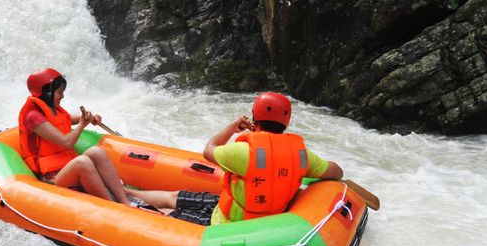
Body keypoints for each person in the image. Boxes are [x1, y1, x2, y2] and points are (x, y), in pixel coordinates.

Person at [127, 92, 344, 225]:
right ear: (285, 122)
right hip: (243, 213)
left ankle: (126, 203)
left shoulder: (243, 153)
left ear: (255, 117)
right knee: (176, 197)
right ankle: (129, 193)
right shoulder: (302, 156)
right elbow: (336, 171)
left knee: (170, 211)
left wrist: (232, 127)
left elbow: (209, 149)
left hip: (228, 224)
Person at [18, 67, 132, 206]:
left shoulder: (52, 108)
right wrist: (82, 125)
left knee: (96, 152)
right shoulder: (33, 117)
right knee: (82, 162)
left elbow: (65, 120)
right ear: (47, 93)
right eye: (59, 92)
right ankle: (111, 206)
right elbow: (66, 143)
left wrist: (87, 118)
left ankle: (124, 202)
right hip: (50, 177)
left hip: (64, 166)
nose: (63, 96)